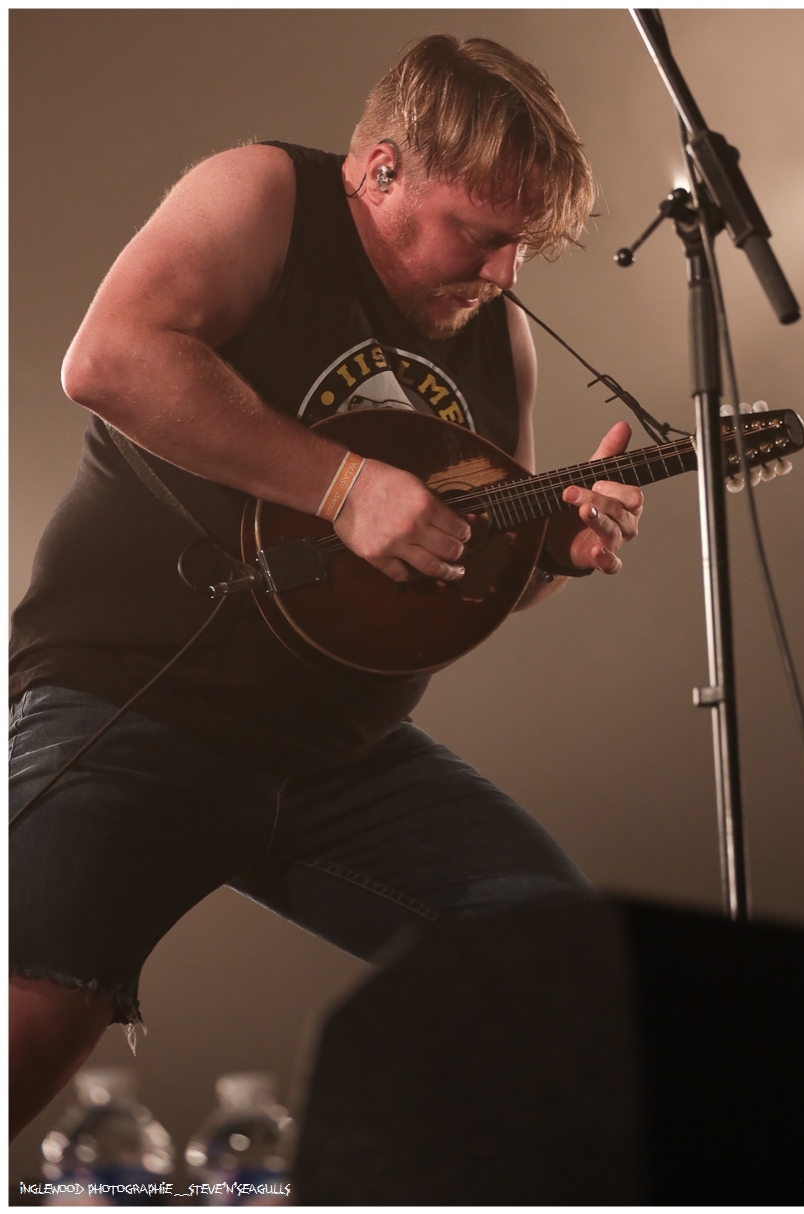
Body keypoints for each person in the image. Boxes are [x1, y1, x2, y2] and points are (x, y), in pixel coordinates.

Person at [9, 34, 644, 1139]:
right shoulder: (266, 195)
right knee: (34, 1017)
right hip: (132, 704)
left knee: (558, 961)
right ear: (383, 169)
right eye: (482, 234)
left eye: (524, 247)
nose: (504, 275)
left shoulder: (499, 333)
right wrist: (344, 485)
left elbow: (467, 569)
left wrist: (552, 552)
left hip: (343, 754)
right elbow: (106, 358)